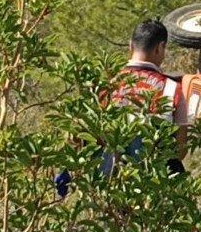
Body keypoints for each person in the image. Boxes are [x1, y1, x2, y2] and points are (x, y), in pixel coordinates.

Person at [55, 20, 188, 197]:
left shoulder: (104, 87)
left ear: (130, 45)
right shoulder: (173, 89)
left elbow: (81, 137)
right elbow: (180, 150)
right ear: (160, 48)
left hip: (106, 190)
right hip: (151, 193)